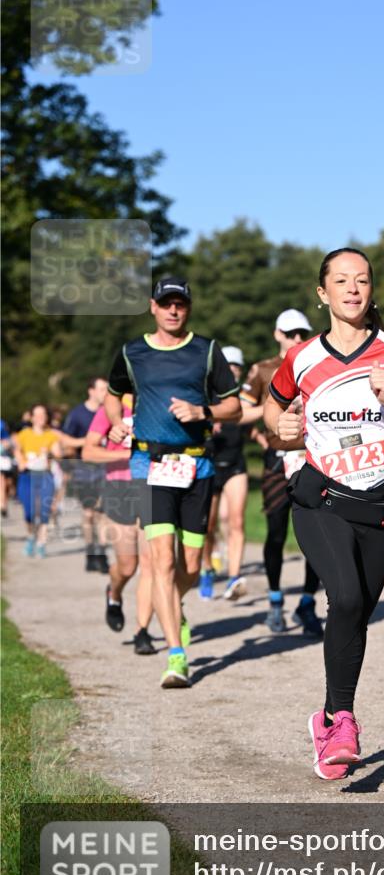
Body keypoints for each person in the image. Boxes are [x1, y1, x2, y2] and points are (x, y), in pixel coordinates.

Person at [264, 248, 384, 780]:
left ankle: (328, 718)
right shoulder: (304, 358)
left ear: (371, 289)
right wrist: (282, 429)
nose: (353, 289)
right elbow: (275, 407)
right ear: (323, 293)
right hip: (320, 498)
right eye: (341, 281)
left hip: (379, 502)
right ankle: (344, 723)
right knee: (347, 596)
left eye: (362, 280)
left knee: (354, 615)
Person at [105, 276, 241, 688]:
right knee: (161, 560)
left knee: (192, 565)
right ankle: (176, 655)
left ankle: (173, 606)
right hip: (149, 463)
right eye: (166, 303)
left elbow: (234, 405)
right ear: (153, 306)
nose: (173, 310)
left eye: (180, 303)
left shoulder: (207, 351)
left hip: (197, 466)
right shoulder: (133, 352)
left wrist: (204, 412)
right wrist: (115, 423)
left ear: (189, 308)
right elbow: (114, 393)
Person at [240, 310, 323, 637]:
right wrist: (275, 404)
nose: (298, 340)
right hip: (277, 460)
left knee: (315, 537)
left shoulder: (318, 363)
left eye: (302, 333)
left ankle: (306, 603)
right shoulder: (262, 370)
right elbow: (241, 412)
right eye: (291, 334)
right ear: (278, 335)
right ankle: (275, 601)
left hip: (312, 456)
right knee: (276, 533)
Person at [82, 393, 156, 654]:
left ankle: (142, 631)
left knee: (150, 563)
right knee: (127, 566)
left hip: (152, 486)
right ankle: (113, 594)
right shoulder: (111, 407)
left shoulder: (156, 400)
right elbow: (88, 450)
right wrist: (128, 454)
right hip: (119, 487)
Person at [198, 346, 250, 602]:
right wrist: (208, 422)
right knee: (208, 526)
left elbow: (249, 420)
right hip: (209, 464)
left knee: (236, 521)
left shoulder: (242, 397)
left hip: (235, 464)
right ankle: (208, 569)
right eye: (228, 365)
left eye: (236, 366)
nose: (232, 369)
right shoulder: (206, 396)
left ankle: (233, 576)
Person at [60, 377, 109, 572]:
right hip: (85, 470)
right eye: (102, 389)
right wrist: (88, 442)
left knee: (103, 513)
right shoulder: (78, 414)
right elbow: (65, 441)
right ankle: (90, 551)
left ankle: (103, 552)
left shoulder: (111, 412)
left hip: (106, 468)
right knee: (89, 513)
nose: (105, 393)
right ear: (91, 391)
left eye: (107, 389)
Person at [14, 404, 62, 557]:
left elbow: (58, 453)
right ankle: (30, 536)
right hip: (27, 475)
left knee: (44, 511)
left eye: (43, 414)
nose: (41, 417)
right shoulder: (24, 434)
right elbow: (16, 449)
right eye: (38, 414)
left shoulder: (51, 435)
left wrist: (49, 454)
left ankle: (41, 542)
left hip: (45, 476)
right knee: (29, 512)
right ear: (32, 417)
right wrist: (20, 460)